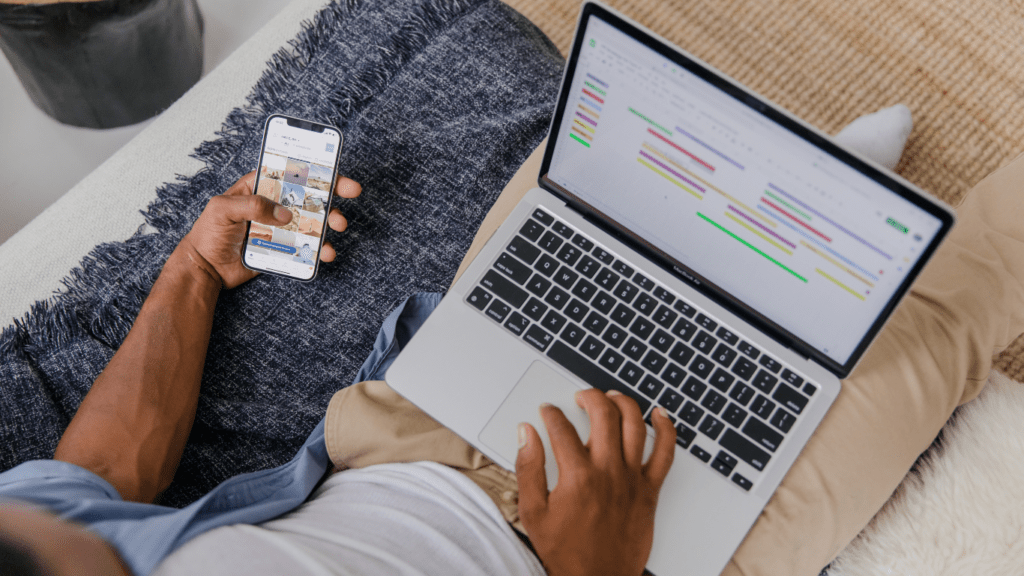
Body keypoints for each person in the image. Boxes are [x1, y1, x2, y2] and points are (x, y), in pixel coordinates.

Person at [3, 107, 1024, 576]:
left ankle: (804, 213)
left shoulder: (36, 537)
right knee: (956, 316)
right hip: (632, 550)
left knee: (593, 175)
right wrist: (594, 563)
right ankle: (833, 239)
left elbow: (91, 481)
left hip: (413, 438)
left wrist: (192, 267)